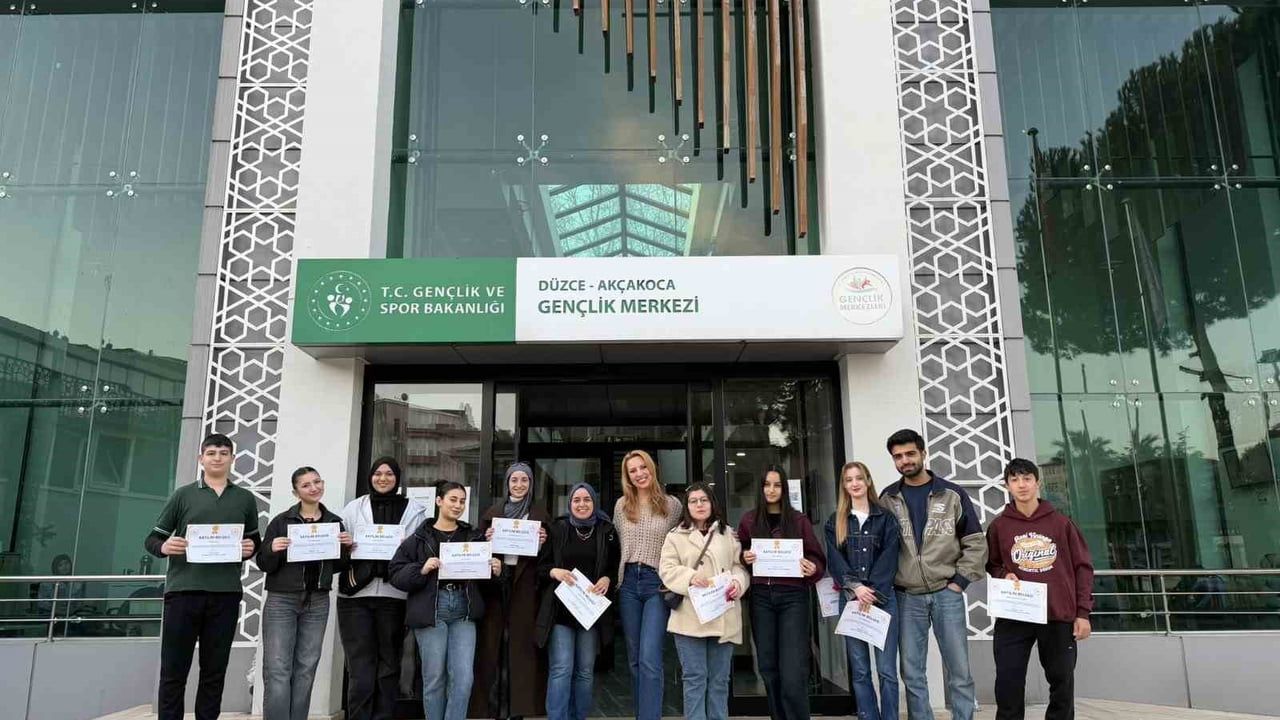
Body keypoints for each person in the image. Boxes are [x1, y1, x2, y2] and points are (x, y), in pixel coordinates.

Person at [144, 433, 260, 720]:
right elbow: (152, 539)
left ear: (233, 459)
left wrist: (251, 548)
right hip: (183, 592)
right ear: (201, 459)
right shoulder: (183, 495)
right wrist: (164, 547)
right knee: (174, 670)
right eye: (211, 453)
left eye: (223, 453)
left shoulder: (245, 498)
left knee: (214, 671)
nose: (217, 458)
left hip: (225, 594)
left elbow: (253, 540)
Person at [878, 428, 986, 720]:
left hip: (946, 592)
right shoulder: (888, 498)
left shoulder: (952, 494)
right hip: (906, 596)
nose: (905, 461)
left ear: (923, 453)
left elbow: (975, 542)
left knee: (959, 669)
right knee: (912, 671)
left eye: (910, 453)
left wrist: (959, 581)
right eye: (898, 456)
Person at [985, 458, 1093, 720]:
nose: (1021, 485)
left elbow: (1083, 568)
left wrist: (1083, 613)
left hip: (1057, 614)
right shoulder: (999, 526)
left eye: (1027, 479)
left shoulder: (1062, 524)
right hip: (1015, 613)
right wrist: (1004, 574)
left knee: (1062, 681)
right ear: (1007, 486)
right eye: (1014, 480)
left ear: (1037, 483)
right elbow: (992, 563)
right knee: (1008, 682)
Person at [389, 481, 503, 720]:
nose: (458, 505)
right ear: (439, 501)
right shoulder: (419, 537)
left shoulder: (473, 536)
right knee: (434, 679)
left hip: (464, 609)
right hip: (432, 609)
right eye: (453, 499)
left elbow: (488, 583)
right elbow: (395, 573)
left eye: (462, 501)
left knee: (463, 679)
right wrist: (421, 569)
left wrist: (495, 570)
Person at [256, 466, 353, 720]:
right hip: (282, 599)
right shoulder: (281, 521)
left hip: (317, 600)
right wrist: (272, 549)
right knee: (278, 668)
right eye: (306, 485)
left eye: (317, 482)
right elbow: (264, 564)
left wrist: (346, 548)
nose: (314, 488)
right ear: (295, 492)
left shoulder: (333, 522)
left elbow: (337, 566)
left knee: (307, 667)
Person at [337, 457, 430, 720]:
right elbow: (336, 550)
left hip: (395, 597)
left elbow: (422, 552)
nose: (383, 478)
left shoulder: (415, 511)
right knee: (359, 665)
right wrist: (345, 544)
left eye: (389, 474)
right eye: (378, 473)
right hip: (355, 596)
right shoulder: (354, 508)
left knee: (389, 664)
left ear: (397, 478)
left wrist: (408, 546)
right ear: (370, 477)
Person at [736, 464, 827, 720]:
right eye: (767, 484)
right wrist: (744, 557)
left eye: (777, 485)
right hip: (761, 598)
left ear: (784, 489)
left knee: (793, 671)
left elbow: (817, 558)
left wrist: (813, 567)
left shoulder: (799, 521)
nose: (771, 490)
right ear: (760, 488)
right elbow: (738, 557)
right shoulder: (749, 521)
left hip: (793, 598)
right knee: (768, 667)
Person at [659, 482, 750, 720]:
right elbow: (666, 570)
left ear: (712, 503)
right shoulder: (675, 536)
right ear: (687, 506)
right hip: (690, 618)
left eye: (704, 500)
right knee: (695, 679)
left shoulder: (727, 534)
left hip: (723, 614)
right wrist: (690, 577)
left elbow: (739, 566)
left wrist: (737, 583)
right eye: (693, 501)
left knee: (719, 681)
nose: (699, 505)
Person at [535, 482, 620, 720]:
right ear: (570, 503)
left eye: (587, 500)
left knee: (585, 671)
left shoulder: (606, 530)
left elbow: (614, 567)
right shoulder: (557, 529)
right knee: (561, 669)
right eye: (576, 500)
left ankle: (578, 716)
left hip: (589, 614)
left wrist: (607, 578)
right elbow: (540, 568)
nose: (582, 504)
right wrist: (555, 572)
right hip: (561, 612)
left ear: (594, 502)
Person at [824, 461, 902, 720]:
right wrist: (856, 587)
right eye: (849, 480)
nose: (855, 483)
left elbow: (890, 557)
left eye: (859, 478)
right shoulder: (835, 521)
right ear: (844, 486)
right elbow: (835, 560)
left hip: (883, 600)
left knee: (887, 670)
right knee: (859, 670)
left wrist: (873, 590)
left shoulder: (886, 519)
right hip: (851, 601)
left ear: (868, 481)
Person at [472, 462, 551, 720]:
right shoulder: (492, 515)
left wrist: (543, 543)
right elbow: (477, 553)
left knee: (520, 651)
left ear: (531, 484)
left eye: (524, 480)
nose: (519, 485)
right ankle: (493, 709)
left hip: (526, 588)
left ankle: (518, 711)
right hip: (496, 586)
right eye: (514, 480)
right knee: (493, 648)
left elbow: (549, 559)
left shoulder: (540, 515)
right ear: (507, 483)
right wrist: (486, 540)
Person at [613, 449, 682, 720]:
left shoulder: (672, 505)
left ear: (651, 469)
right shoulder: (621, 506)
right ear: (627, 476)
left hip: (657, 583)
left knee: (650, 658)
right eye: (633, 470)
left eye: (643, 467)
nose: (639, 474)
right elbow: (611, 542)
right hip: (628, 583)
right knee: (634, 659)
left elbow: (687, 537)